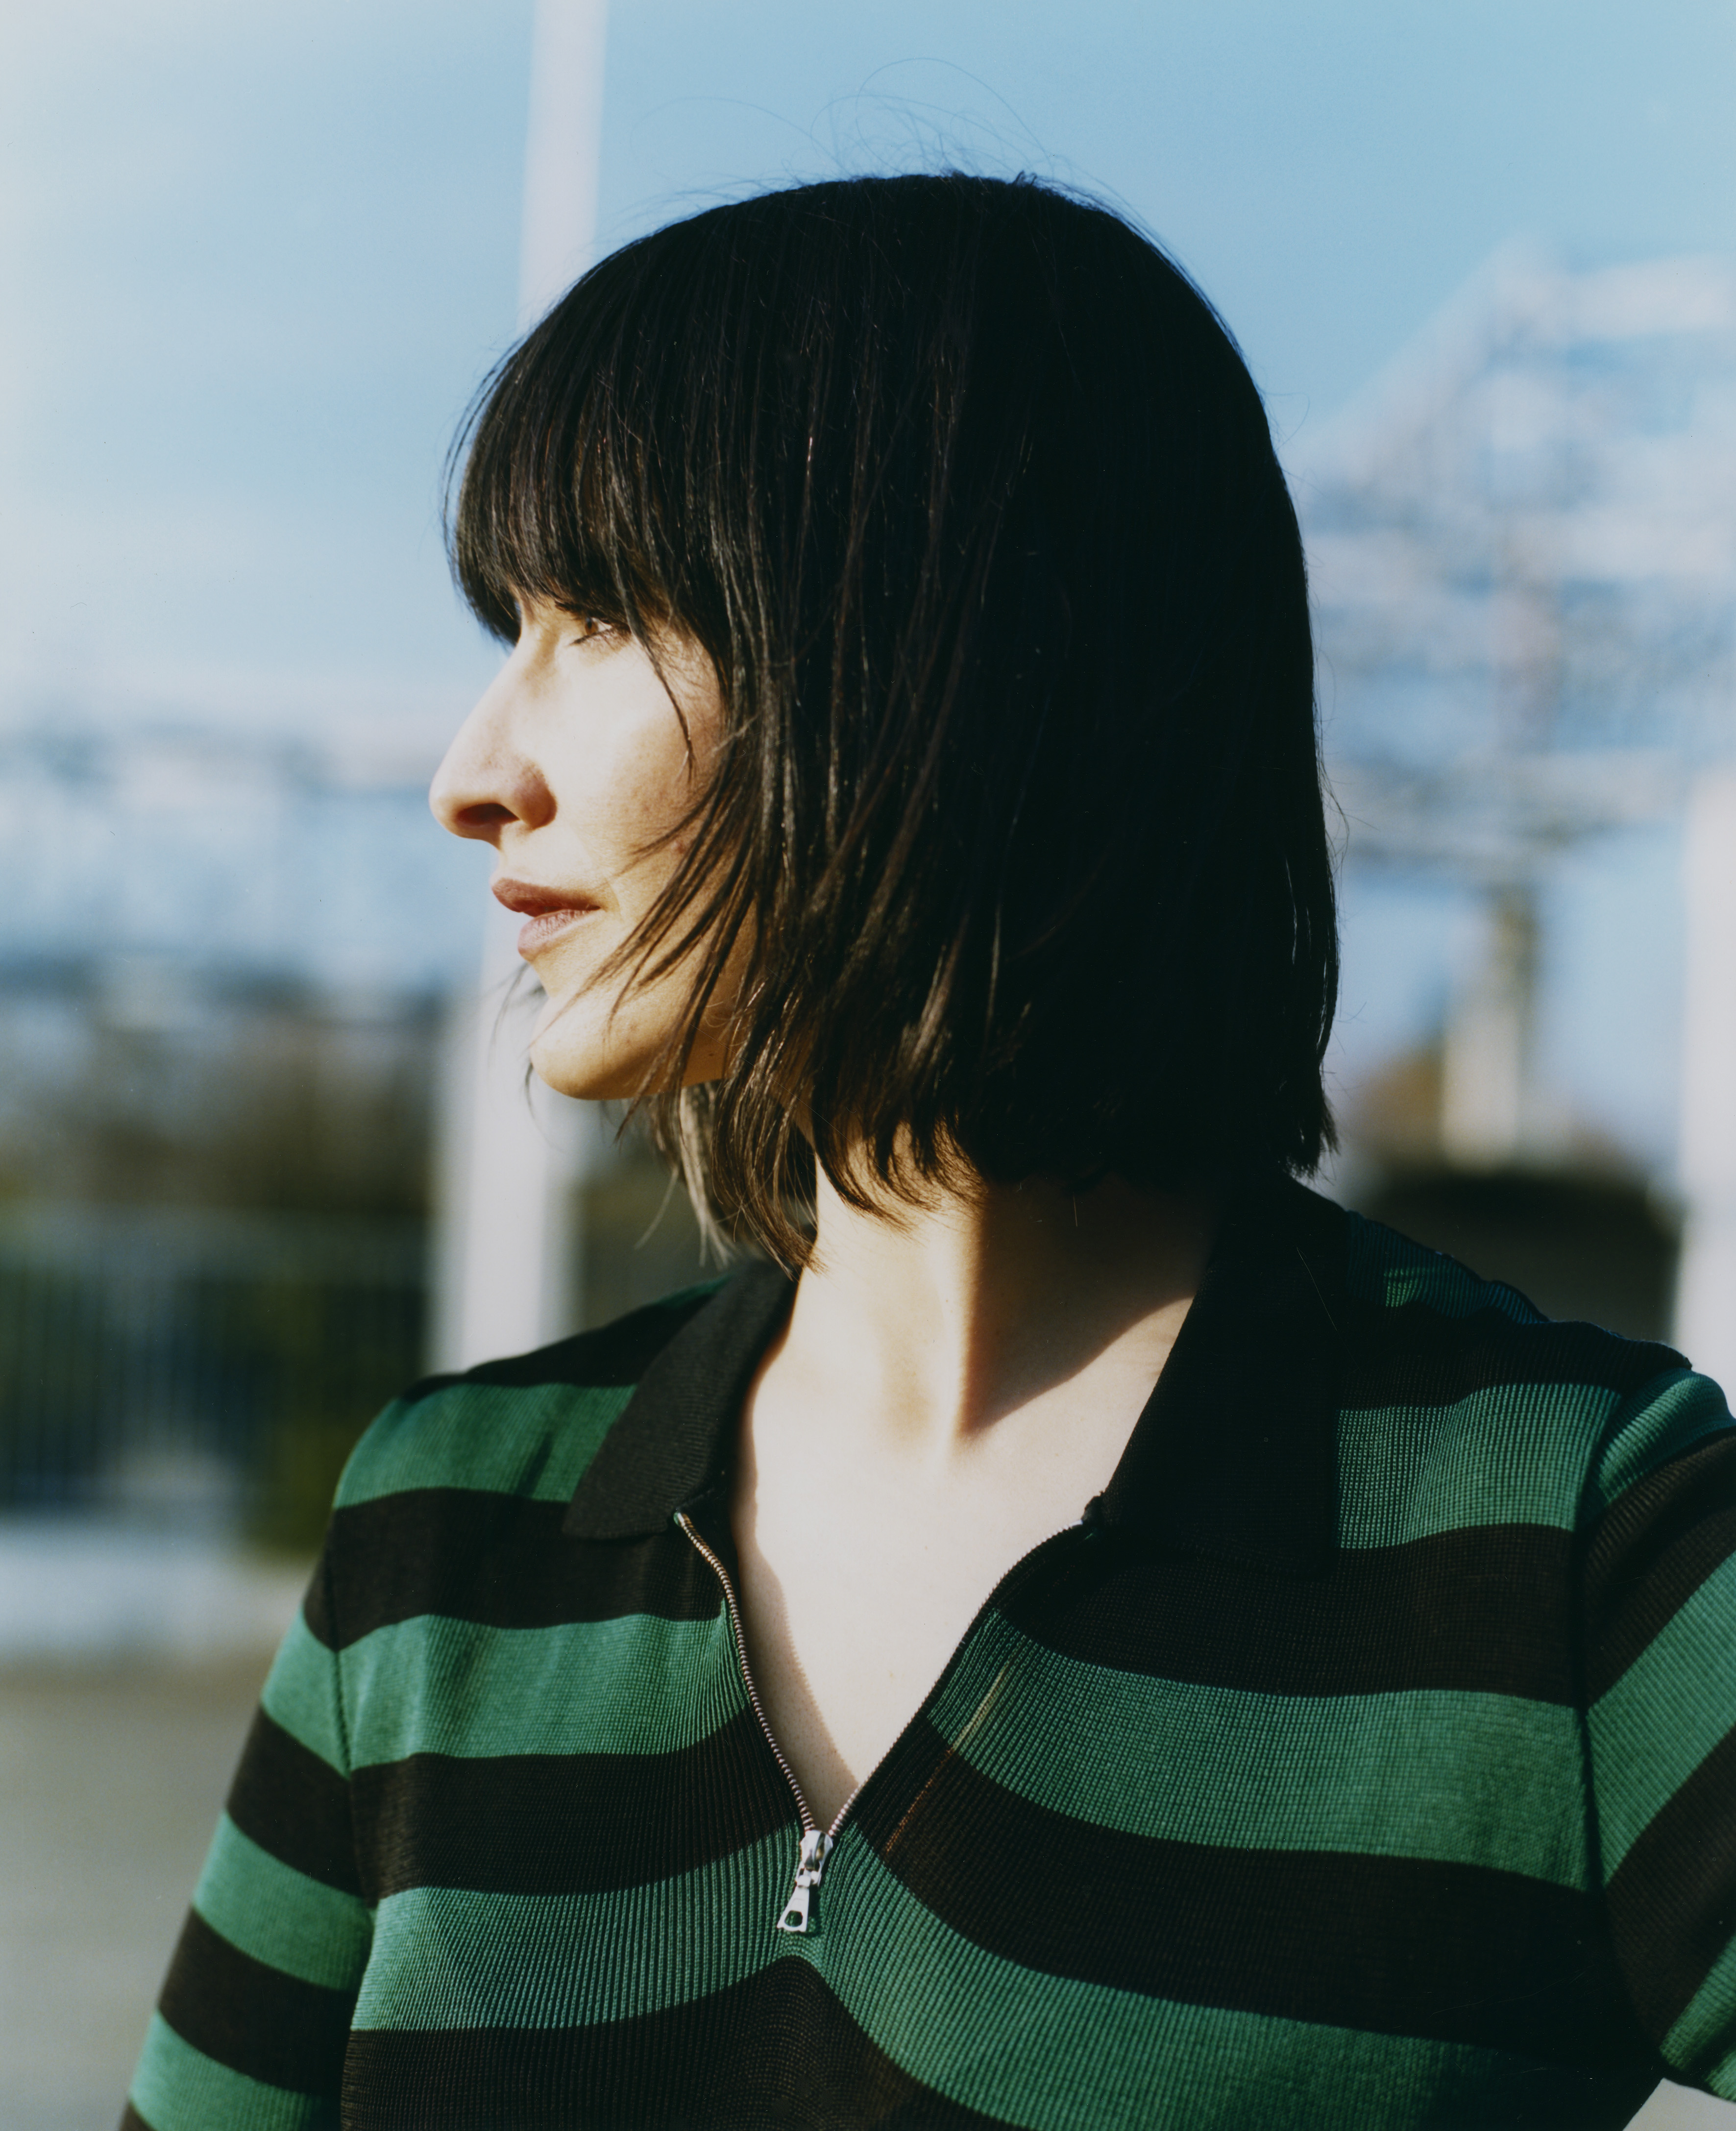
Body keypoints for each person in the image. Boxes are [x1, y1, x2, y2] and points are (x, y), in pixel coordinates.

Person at [125, 173, 1736, 2131]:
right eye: (509, 630)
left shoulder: (1575, 1542)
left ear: (945, 650)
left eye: (600, 619)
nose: (474, 773)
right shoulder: (440, 1536)